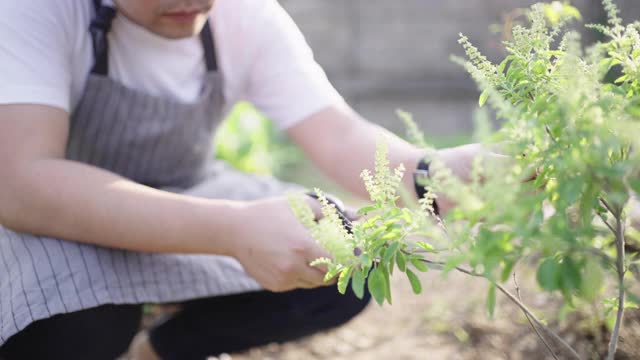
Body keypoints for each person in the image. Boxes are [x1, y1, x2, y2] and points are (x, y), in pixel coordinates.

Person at [0, 0, 484, 359]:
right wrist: (232, 230)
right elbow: (21, 184)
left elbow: (337, 136)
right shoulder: (37, 12)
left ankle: (160, 349)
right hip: (59, 220)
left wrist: (437, 176)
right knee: (77, 318)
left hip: (189, 188)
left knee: (343, 260)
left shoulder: (244, 16)